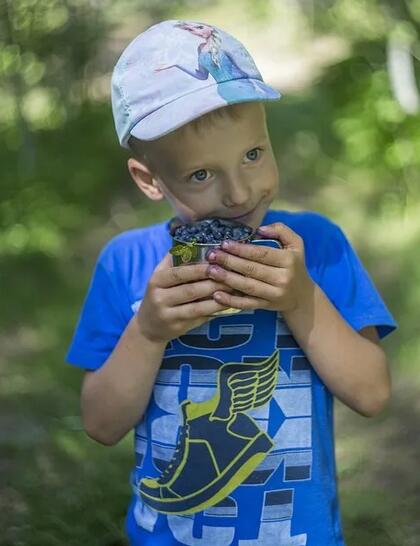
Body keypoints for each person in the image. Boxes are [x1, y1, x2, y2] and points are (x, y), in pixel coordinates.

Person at [65, 19, 398, 546]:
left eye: (253, 154)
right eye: (201, 175)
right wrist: (148, 331)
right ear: (149, 179)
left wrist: (301, 298)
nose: (240, 194)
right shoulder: (125, 265)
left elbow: (372, 393)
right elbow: (102, 425)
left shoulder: (317, 247)